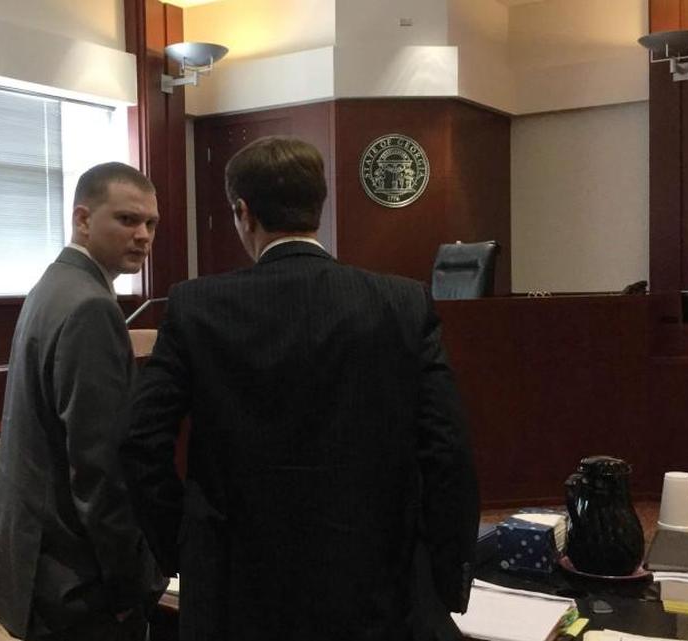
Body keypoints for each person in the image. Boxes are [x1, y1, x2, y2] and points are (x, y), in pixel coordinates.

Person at [120, 136, 480, 641]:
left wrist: (182, 547)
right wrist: (446, 578)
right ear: (320, 204)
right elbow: (447, 451)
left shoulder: (195, 306)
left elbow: (140, 442)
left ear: (243, 212)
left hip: (231, 589)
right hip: (374, 583)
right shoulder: (402, 303)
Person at [0, 162, 165, 641]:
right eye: (127, 220)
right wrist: (133, 588)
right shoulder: (89, 306)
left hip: (35, 566)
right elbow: (99, 471)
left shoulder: (52, 285)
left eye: (151, 224)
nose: (143, 236)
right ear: (83, 220)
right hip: (74, 586)